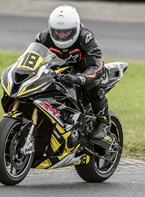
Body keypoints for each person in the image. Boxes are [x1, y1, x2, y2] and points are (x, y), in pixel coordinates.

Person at [35, 5, 113, 148]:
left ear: (75, 28)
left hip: (84, 72)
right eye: (58, 31)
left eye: (66, 31)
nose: (62, 36)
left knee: (93, 85)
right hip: (58, 72)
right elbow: (31, 59)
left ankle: (103, 122)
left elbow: (97, 66)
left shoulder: (86, 37)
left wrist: (79, 78)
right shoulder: (43, 37)